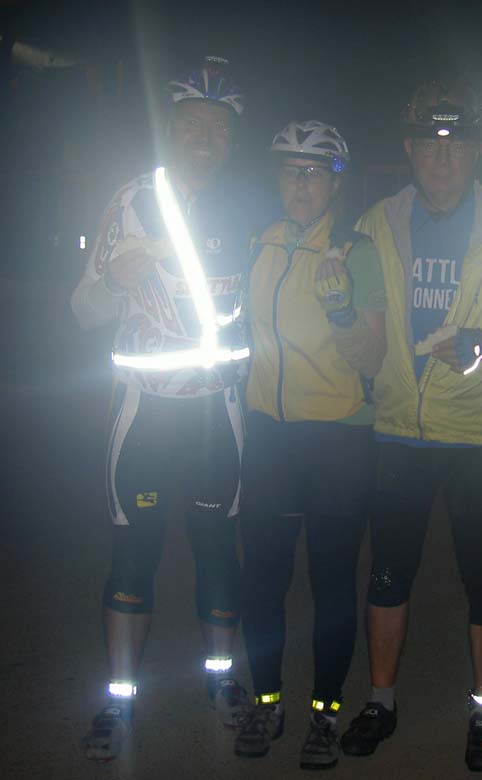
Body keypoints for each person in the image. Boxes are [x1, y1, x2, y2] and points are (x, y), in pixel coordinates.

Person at [339, 79, 482, 772]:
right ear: (409, 149)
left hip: (480, 431)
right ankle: (380, 701)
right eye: (429, 144)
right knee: (386, 575)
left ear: (477, 151)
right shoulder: (375, 222)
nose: (442, 158)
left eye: (456, 144)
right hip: (398, 426)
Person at [73, 56, 276, 763]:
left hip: (219, 415)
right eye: (192, 124)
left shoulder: (249, 204)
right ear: (169, 128)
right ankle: (119, 699)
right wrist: (113, 283)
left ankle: (221, 685)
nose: (205, 139)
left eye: (218, 127)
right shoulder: (132, 201)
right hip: (145, 416)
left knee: (219, 552)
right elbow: (82, 310)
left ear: (232, 137)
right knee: (134, 557)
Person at [233, 120, 387, 770]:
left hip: (335, 438)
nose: (302, 183)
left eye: (315, 171)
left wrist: (343, 310)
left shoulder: (355, 251)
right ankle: (267, 700)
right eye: (291, 170)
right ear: (277, 178)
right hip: (268, 432)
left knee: (330, 581)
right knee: (263, 577)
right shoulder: (256, 245)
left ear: (335, 183)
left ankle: (324, 711)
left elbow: (373, 357)